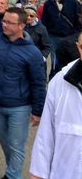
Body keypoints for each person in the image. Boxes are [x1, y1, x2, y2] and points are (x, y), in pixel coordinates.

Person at [0, 7, 46, 179]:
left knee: (16, 145)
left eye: (10, 22)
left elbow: (39, 83)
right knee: (5, 142)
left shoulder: (32, 52)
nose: (5, 25)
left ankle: (12, 176)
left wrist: (38, 111)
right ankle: (13, 172)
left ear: (22, 25)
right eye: (4, 21)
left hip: (20, 107)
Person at [29, 32, 82, 179]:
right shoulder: (60, 82)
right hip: (64, 171)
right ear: (78, 48)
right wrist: (38, 173)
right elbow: (46, 131)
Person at [41, 0, 82, 71]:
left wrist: (75, 35)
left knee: (69, 61)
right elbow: (44, 20)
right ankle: (54, 76)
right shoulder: (48, 4)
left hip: (70, 37)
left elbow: (79, 21)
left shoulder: (74, 3)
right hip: (53, 37)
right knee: (54, 60)